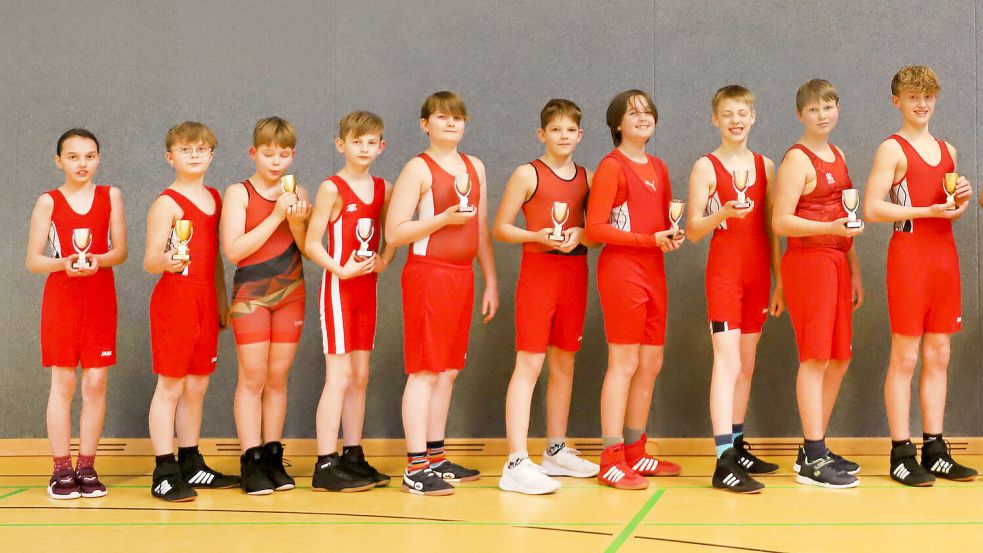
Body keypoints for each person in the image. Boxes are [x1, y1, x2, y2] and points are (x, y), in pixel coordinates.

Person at [862, 66, 978, 486]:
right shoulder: (892, 150)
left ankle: (935, 448)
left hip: (943, 254)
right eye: (913, 97)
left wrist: (957, 201)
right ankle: (900, 452)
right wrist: (925, 211)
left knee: (939, 354)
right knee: (905, 356)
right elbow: (872, 208)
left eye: (928, 96)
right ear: (897, 102)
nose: (922, 104)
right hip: (909, 254)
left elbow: (947, 207)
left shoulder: (947, 150)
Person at [385, 91, 499, 496]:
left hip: (462, 275)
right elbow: (394, 233)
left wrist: (490, 280)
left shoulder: (476, 167)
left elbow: (481, 228)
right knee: (425, 370)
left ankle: (435, 457)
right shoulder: (418, 168)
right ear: (425, 124)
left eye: (458, 118)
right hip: (428, 274)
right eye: (442, 117)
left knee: (448, 370)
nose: (451, 124)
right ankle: (415, 467)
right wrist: (442, 219)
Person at [494, 99, 599, 495]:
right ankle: (516, 461)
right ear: (542, 134)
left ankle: (555, 451)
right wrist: (537, 235)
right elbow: (501, 228)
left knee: (565, 363)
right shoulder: (527, 173)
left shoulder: (587, 178)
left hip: (574, 273)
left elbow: (596, 230)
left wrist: (582, 235)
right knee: (529, 364)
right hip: (538, 274)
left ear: (580, 135)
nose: (563, 136)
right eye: (555, 130)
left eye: (570, 130)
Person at [685, 85, 782, 493]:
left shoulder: (766, 166)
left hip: (758, 275)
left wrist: (779, 280)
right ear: (715, 119)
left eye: (742, 113)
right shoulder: (706, 167)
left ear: (754, 116)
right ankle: (723, 460)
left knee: (746, 363)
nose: (736, 120)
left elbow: (771, 229)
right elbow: (691, 230)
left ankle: (738, 445)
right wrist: (721, 212)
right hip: (724, 274)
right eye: (728, 114)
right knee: (725, 364)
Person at [586, 89, 684, 490]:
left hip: (653, 271)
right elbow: (595, 230)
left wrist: (670, 237)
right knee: (623, 363)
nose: (642, 117)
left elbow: (658, 223)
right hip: (623, 271)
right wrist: (648, 240)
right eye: (632, 113)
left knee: (650, 364)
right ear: (617, 124)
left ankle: (634, 451)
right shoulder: (612, 166)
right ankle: (610, 458)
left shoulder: (658, 167)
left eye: (647, 111)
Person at [26, 129, 127, 499]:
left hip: (100, 298)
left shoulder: (110, 196)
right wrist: (64, 263)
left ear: (99, 158)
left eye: (89, 156)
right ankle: (61, 469)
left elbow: (120, 252)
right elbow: (34, 261)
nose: (82, 163)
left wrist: (95, 260)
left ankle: (86, 465)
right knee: (64, 384)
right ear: (59, 161)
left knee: (96, 383)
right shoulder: (48, 202)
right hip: (62, 298)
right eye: (73, 157)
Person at [772, 80, 863, 489]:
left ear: (838, 109)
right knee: (815, 358)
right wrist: (829, 227)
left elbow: (848, 218)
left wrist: (855, 269)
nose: (822, 114)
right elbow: (780, 221)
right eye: (813, 109)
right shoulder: (797, 159)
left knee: (839, 357)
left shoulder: (839, 155)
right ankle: (812, 454)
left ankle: (816, 448)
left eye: (828, 106)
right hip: (809, 263)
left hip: (837, 261)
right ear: (800, 115)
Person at [145, 122, 238, 502]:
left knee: (198, 385)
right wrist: (168, 259)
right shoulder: (166, 202)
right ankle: (164, 470)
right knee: (171, 385)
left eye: (202, 149)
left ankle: (191, 461)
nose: (195, 155)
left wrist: (221, 299)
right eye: (186, 150)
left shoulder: (214, 198)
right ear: (171, 157)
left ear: (212, 155)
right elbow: (150, 261)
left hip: (204, 299)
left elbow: (214, 256)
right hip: (175, 298)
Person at [306, 111, 395, 492]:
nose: (364, 148)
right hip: (339, 290)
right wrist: (339, 269)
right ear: (340, 145)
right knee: (339, 377)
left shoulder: (383, 188)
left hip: (366, 291)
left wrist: (385, 259)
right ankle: (325, 463)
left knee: (360, 377)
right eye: (356, 141)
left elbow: (391, 233)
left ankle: (352, 454)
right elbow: (311, 244)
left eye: (371, 142)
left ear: (381, 146)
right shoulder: (332, 188)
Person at [222, 116, 310, 495]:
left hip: (292, 292)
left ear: (292, 156)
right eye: (269, 154)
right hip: (252, 295)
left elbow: (307, 249)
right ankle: (251, 459)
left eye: (284, 154)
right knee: (253, 376)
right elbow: (234, 250)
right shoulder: (239, 193)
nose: (276, 161)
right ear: (253, 153)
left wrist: (299, 221)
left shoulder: (297, 191)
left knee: (278, 378)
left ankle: (273, 455)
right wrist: (276, 215)